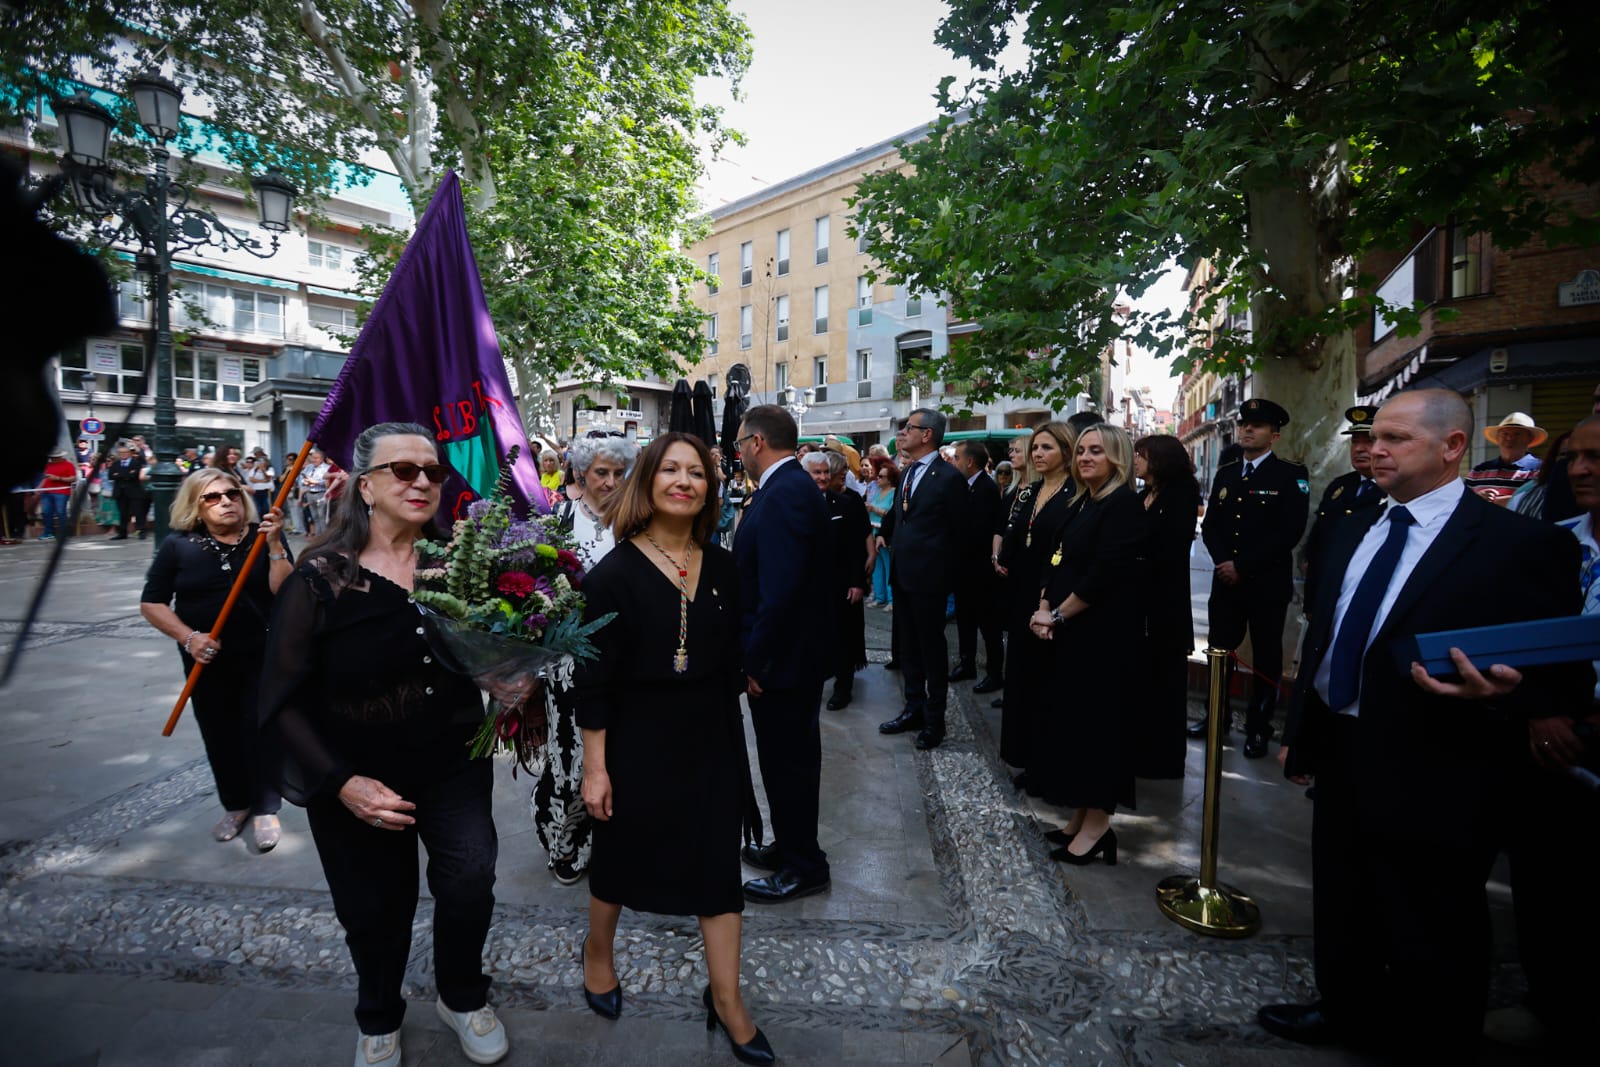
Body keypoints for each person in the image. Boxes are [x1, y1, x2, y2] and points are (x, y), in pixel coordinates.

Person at [1261, 390, 1591, 1061]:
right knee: (1343, 892)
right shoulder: (1356, 524)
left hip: (1442, 761)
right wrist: (1301, 727)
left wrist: (1512, 692)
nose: (1375, 449)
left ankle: (1432, 1036)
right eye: (1374, 436)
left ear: (1452, 447)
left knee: (1433, 916)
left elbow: (1562, 675)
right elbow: (1325, 635)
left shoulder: (1521, 545)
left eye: (1396, 438)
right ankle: (1346, 1006)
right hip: (1344, 746)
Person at [258, 423, 510, 1067]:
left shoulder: (462, 562)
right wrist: (342, 782)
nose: (424, 481)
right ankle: (378, 1014)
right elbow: (279, 700)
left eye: (433, 471)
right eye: (404, 470)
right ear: (366, 486)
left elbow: (484, 654)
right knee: (374, 908)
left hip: (453, 762)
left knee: (470, 882)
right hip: (356, 774)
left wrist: (509, 676)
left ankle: (461, 994)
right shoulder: (321, 579)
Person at [571, 432, 774, 1063]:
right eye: (671, 470)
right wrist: (596, 770)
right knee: (620, 859)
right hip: (636, 742)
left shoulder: (722, 564)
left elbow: (731, 644)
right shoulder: (611, 576)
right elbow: (593, 682)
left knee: (718, 867)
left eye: (697, 473)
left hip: (711, 738)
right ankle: (597, 952)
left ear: (710, 489)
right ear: (648, 482)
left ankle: (727, 997)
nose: (685, 481)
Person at [1498, 414, 1600, 1056]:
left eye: (1598, 458)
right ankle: (1551, 1002)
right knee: (1549, 888)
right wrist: (1539, 710)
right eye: (1576, 457)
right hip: (1551, 746)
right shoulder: (1554, 543)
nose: (1583, 470)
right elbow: (1523, 639)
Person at [140, 469, 292, 851]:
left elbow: (286, 592)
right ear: (196, 504)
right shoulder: (179, 545)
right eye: (212, 497)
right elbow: (152, 602)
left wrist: (274, 544)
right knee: (218, 731)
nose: (226, 501)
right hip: (204, 658)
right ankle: (236, 804)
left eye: (232, 494)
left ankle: (265, 807)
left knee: (260, 729)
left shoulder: (264, 537)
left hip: (260, 651)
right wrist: (188, 637)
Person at [732, 404, 834, 903]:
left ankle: (804, 865)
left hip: (785, 664)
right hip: (789, 659)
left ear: (756, 443)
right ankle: (792, 845)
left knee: (789, 763)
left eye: (737, 444)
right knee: (781, 761)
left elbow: (781, 593)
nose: (737, 454)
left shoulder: (785, 494)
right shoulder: (785, 487)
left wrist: (757, 662)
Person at [1030, 424, 1145, 861]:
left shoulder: (1123, 505)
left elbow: (1104, 575)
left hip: (1104, 640)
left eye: (1096, 451)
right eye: (1080, 451)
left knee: (1099, 732)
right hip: (1071, 634)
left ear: (1117, 457)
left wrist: (1056, 613)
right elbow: (1056, 558)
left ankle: (1098, 827)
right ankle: (1081, 814)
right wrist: (1044, 605)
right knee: (1076, 728)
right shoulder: (1085, 501)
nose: (1085, 458)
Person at [534, 433, 637, 886]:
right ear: (580, 473)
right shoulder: (558, 519)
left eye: (619, 473)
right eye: (602, 472)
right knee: (570, 759)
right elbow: (534, 587)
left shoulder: (640, 522)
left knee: (623, 756)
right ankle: (565, 842)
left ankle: (615, 843)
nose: (611, 482)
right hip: (569, 662)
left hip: (629, 662)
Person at [1195, 398, 1310, 758]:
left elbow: (1290, 531)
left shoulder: (1291, 474)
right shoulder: (1227, 472)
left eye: (1256, 426)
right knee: (1220, 652)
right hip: (1226, 585)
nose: (1247, 429)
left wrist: (1242, 566)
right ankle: (1217, 717)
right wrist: (1224, 561)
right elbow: (1212, 525)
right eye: (1244, 424)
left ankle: (1258, 727)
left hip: (1264, 585)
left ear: (1274, 435)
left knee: (1265, 658)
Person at [876, 408, 969, 750]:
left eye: (909, 428)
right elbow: (903, 518)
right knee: (909, 648)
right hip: (902, 574)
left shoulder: (948, 477)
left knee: (931, 650)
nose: (903, 433)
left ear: (927, 434)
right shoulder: (908, 473)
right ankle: (912, 707)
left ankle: (935, 718)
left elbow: (962, 534)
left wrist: (944, 577)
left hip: (930, 580)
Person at [995, 422, 1078, 780]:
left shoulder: (1076, 493)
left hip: (1053, 597)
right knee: (1021, 677)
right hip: (1020, 594)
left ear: (1065, 451)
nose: (1038, 455)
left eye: (1047, 448)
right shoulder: (1028, 492)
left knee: (1048, 681)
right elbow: (1013, 536)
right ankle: (1023, 752)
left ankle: (1046, 762)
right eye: (1036, 448)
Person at [1133, 434, 1201, 779]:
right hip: (1138, 597)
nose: (1136, 461)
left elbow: (1169, 545)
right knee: (1142, 680)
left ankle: (1164, 758)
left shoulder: (1181, 494)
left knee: (1165, 679)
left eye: (1141, 455)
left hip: (1165, 599)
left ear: (1159, 458)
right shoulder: (1143, 494)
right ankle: (1140, 748)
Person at [1303, 407, 1386, 618]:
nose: (1359, 448)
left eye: (1368, 441)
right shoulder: (1340, 486)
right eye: (1355, 441)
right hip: (1324, 597)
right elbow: (1319, 536)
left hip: (1361, 601)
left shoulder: (1395, 491)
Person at [803, 451, 870, 710]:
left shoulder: (846, 504)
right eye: (816, 473)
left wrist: (857, 582)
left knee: (844, 636)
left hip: (841, 584)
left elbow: (856, 548)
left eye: (824, 472)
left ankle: (843, 687)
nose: (822, 477)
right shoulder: (796, 504)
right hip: (809, 587)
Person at [951, 440, 1004, 692]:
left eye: (957, 457)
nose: (954, 462)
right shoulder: (965, 485)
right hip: (964, 569)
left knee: (988, 625)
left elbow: (979, 531)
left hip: (980, 572)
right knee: (965, 620)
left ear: (970, 462)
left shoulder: (986, 488)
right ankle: (966, 662)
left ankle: (995, 673)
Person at [1465, 411, 1545, 505]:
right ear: (1497, 438)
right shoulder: (1479, 471)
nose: (1510, 438)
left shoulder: (1540, 469)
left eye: (1517, 434)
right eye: (1505, 434)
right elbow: (1460, 501)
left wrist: (1502, 502)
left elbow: (1540, 500)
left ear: (1529, 439)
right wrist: (1477, 498)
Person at [864, 462, 898, 609]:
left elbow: (891, 514)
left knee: (888, 566)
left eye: (881, 476)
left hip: (885, 534)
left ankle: (891, 599)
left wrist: (874, 509)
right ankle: (879, 596)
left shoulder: (894, 493)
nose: (877, 479)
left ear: (890, 479)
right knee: (877, 566)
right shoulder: (878, 492)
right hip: (873, 531)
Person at [107, 440, 150, 540]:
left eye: (125, 453)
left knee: (138, 512)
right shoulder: (116, 464)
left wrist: (120, 474)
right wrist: (126, 474)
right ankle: (122, 533)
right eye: (121, 453)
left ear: (130, 453)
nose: (123, 455)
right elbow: (111, 475)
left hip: (134, 492)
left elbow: (134, 475)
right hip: (120, 493)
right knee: (123, 513)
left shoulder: (136, 463)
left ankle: (141, 531)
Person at [37, 448, 76, 540]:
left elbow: (73, 478)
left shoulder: (69, 465)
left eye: (55, 458)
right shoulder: (48, 465)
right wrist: (39, 488)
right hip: (46, 492)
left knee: (61, 512)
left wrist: (58, 478)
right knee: (46, 512)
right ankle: (48, 532)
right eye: (52, 458)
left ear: (60, 457)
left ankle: (63, 533)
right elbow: (45, 478)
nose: (53, 459)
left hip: (61, 492)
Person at [296, 448, 332, 538]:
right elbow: (302, 478)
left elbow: (326, 482)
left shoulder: (326, 468)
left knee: (322, 516)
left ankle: (324, 537)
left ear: (322, 458)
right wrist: (306, 481)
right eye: (313, 458)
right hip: (309, 493)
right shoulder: (309, 467)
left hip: (321, 493)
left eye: (317, 458)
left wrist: (315, 482)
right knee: (314, 516)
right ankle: (318, 535)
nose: (314, 460)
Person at [242, 452, 276, 517]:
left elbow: (268, 478)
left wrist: (263, 471)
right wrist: (263, 481)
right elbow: (252, 479)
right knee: (259, 508)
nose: (261, 463)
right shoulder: (254, 470)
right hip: (256, 490)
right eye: (259, 461)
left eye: (262, 461)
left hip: (266, 490)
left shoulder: (270, 469)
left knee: (266, 507)